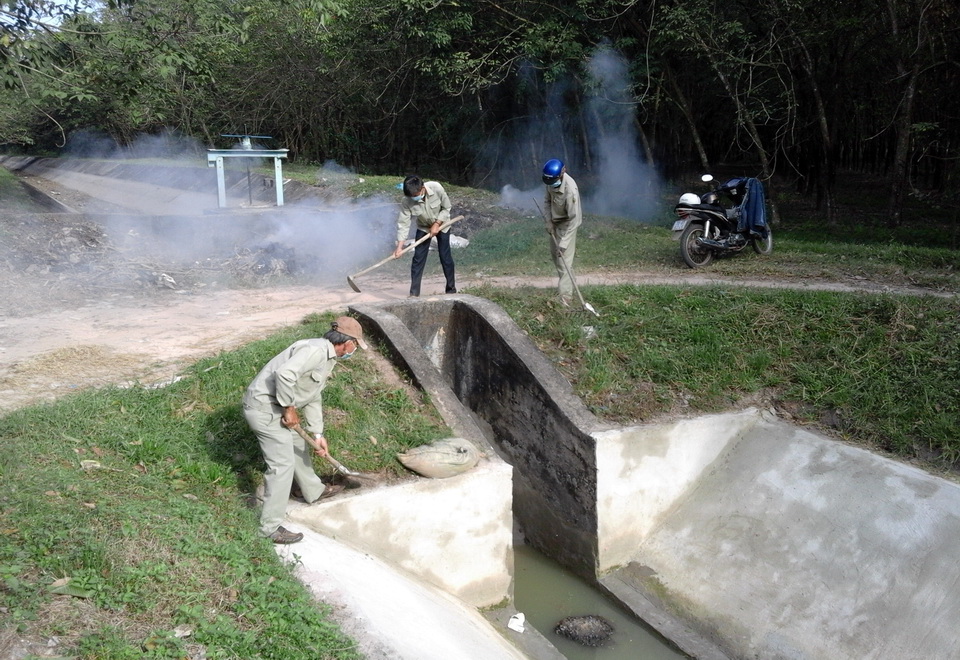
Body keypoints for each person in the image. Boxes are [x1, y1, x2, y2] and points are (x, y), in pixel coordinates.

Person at [242, 316, 368, 544]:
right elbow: (285, 374)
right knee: (282, 466)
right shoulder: (316, 351)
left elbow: (312, 395)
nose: (355, 350)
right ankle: (269, 528)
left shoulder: (328, 357)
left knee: (300, 444)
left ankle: (312, 490)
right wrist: (289, 408)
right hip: (265, 409)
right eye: (356, 345)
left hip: (277, 407)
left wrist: (318, 434)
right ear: (347, 342)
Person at [394, 174, 457, 297]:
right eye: (411, 197)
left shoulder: (436, 187)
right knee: (418, 259)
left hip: (443, 224)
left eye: (416, 196)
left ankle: (451, 290)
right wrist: (399, 247)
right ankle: (414, 293)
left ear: (422, 188)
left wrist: (437, 223)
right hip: (423, 227)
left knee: (445, 257)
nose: (414, 198)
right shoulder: (406, 200)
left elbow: (447, 207)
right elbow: (404, 223)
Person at [541, 158, 582, 306]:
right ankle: (569, 285)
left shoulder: (570, 190)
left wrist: (564, 243)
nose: (551, 185)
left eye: (553, 181)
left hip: (567, 225)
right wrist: (548, 221)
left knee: (564, 262)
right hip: (555, 223)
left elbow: (575, 220)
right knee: (556, 259)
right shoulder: (550, 181)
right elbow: (547, 202)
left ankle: (566, 299)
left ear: (562, 173)